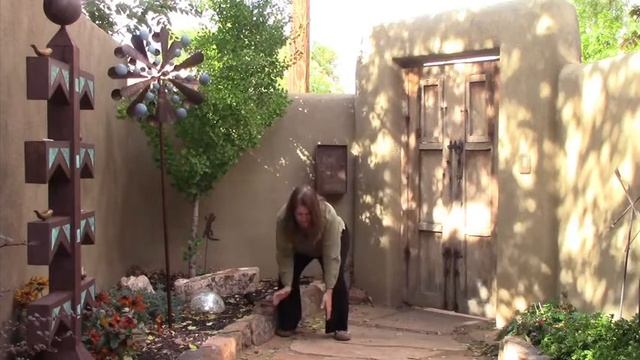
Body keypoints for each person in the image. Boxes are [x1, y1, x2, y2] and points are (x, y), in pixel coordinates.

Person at [272, 185, 351, 341]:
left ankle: (339, 326)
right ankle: (288, 323)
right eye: (299, 214)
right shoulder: (283, 219)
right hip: (300, 245)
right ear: (292, 212)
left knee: (336, 278)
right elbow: (284, 254)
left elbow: (331, 256)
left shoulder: (329, 216)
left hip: (331, 242)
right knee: (286, 276)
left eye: (308, 214)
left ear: (314, 211)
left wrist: (328, 290)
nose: (303, 218)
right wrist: (287, 285)